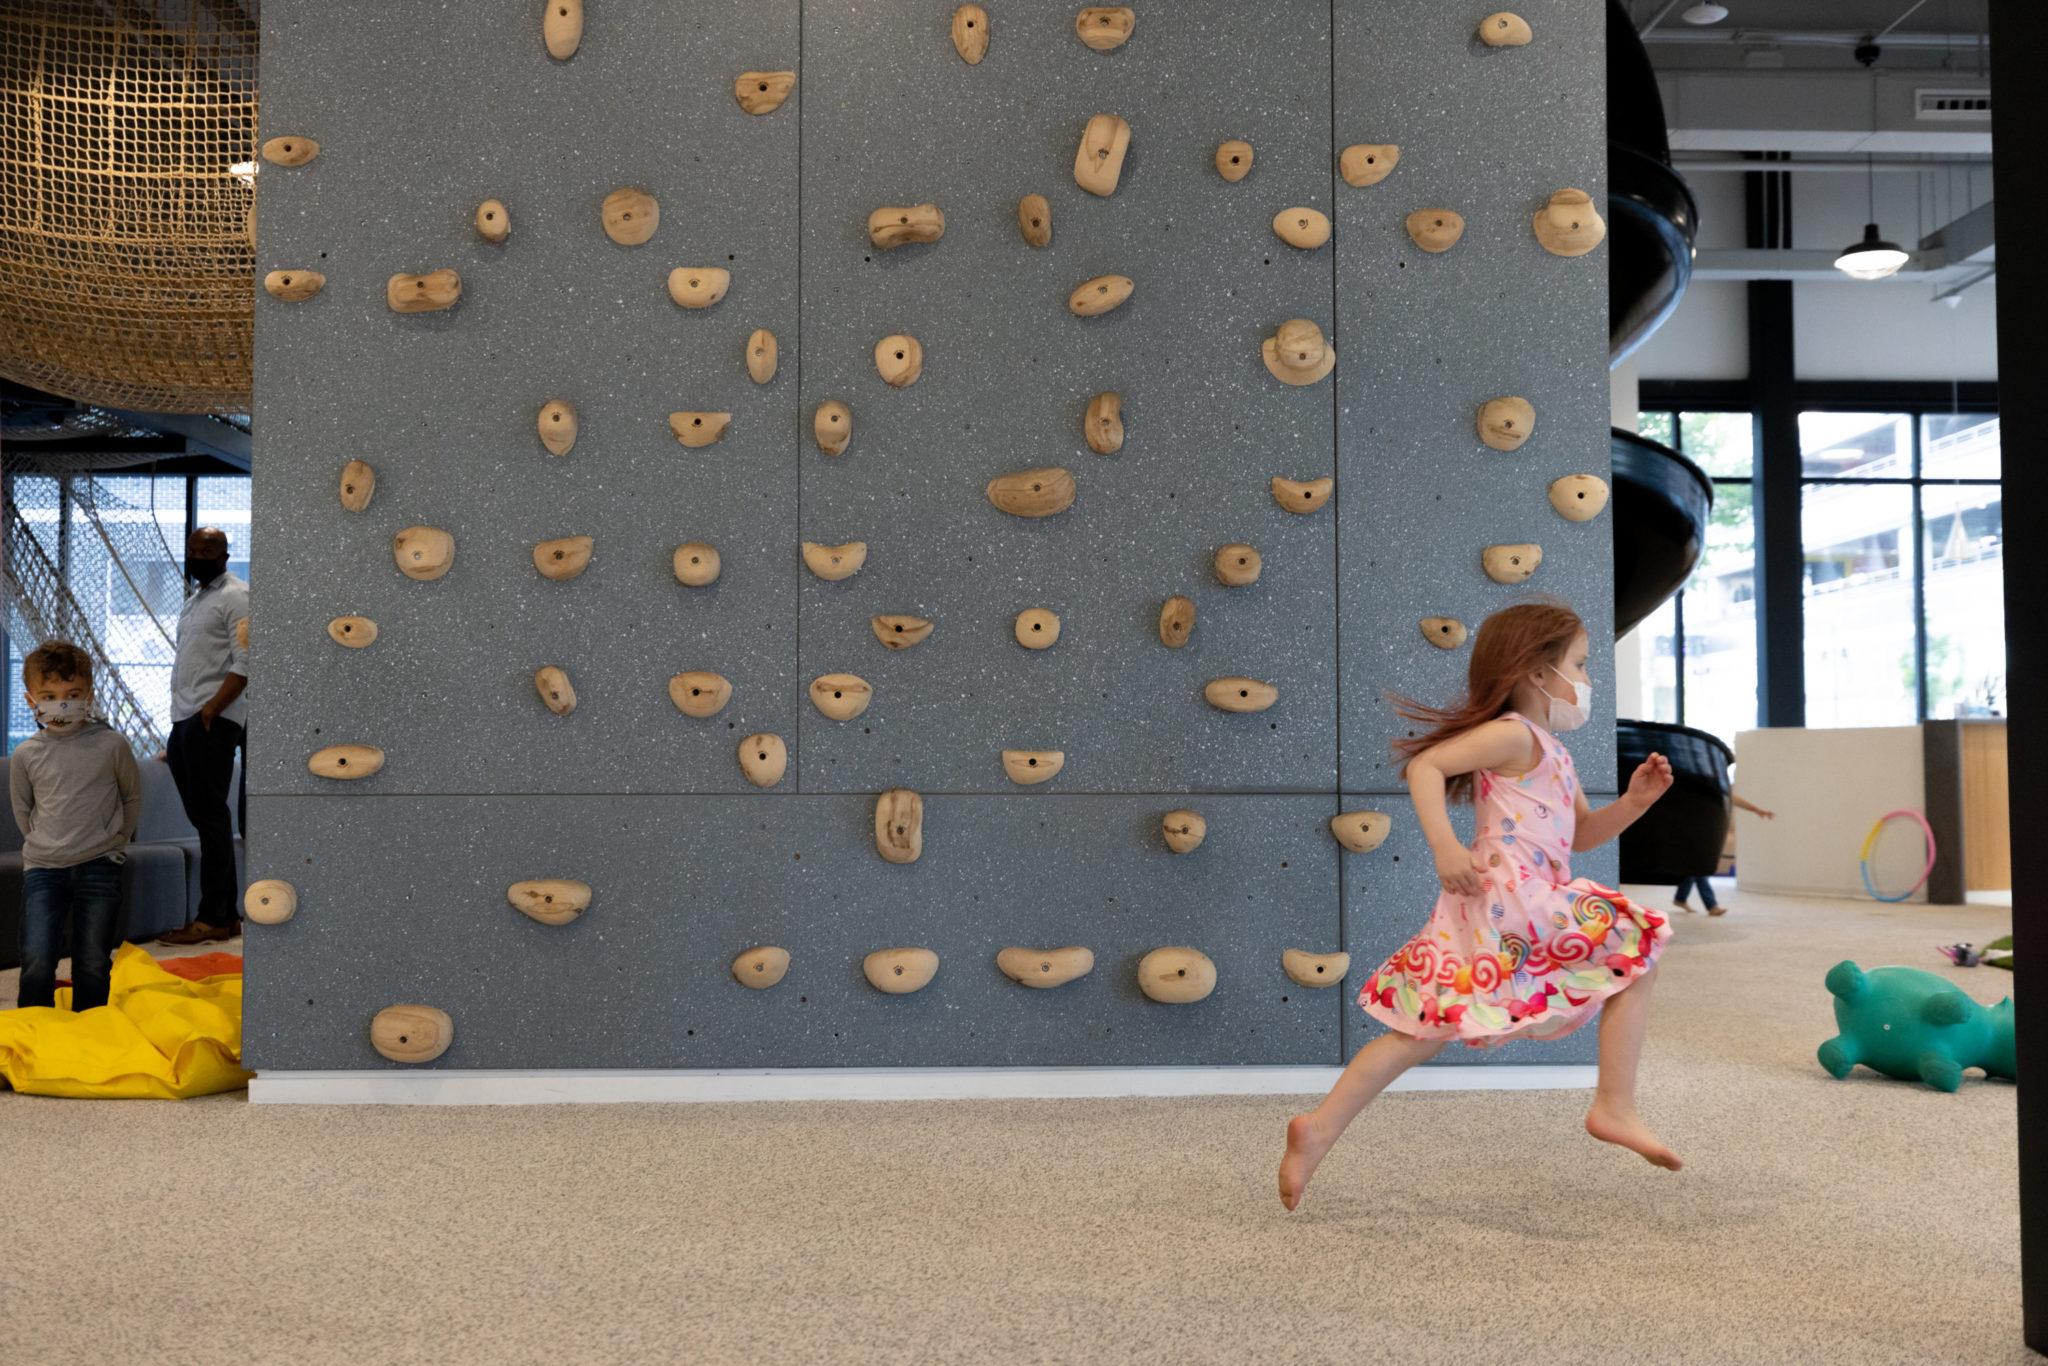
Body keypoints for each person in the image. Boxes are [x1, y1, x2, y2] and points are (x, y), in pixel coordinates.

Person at [1278, 601, 1679, 1212]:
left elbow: (1585, 836)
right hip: (1513, 896)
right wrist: (1445, 846)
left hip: (1498, 904)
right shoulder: (1516, 734)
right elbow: (1427, 765)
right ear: (1540, 675)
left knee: (1424, 1025)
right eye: (1581, 663)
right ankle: (1614, 1105)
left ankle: (1320, 1126)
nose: (1589, 680)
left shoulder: (1552, 750)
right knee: (1637, 944)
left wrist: (1636, 802)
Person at [8, 641, 142, 1010]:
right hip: (43, 869)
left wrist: (117, 841)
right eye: (48, 696)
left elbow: (131, 796)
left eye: (72, 694)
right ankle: (36, 1035)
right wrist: (40, 841)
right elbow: (23, 809)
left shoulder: (112, 745)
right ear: (30, 700)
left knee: (93, 962)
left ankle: (91, 1035)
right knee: (36, 960)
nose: (61, 704)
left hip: (99, 866)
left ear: (89, 695)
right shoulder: (26, 755)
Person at [154, 526, 250, 947]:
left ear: (225, 554)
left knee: (211, 819)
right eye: (192, 549)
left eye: (207, 550)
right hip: (187, 719)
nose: (197, 555)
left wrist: (212, 710)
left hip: (212, 718)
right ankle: (225, 916)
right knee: (205, 819)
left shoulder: (236, 596)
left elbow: (247, 661)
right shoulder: (196, 601)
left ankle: (211, 917)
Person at [1674, 793, 1774, 916]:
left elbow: (1732, 798)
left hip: (1702, 833)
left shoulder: (1714, 788)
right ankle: (1711, 906)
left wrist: (1756, 810)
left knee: (1692, 870)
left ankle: (1680, 899)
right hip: (1691, 834)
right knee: (1699, 870)